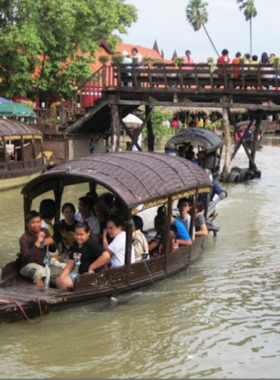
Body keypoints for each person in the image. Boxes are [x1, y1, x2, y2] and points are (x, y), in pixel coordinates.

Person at [56, 223, 110, 290]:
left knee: (64, 283)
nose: (78, 237)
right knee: (58, 280)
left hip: (92, 276)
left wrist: (91, 268)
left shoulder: (91, 244)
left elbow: (106, 256)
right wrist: (62, 276)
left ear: (88, 233)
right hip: (79, 272)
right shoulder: (75, 243)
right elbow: (71, 262)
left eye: (81, 235)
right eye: (76, 234)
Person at [19, 211, 56, 287]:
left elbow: (53, 249)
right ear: (28, 224)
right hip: (27, 266)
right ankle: (39, 295)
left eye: (38, 222)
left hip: (43, 262)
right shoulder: (24, 238)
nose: (36, 225)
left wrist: (51, 242)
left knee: (61, 267)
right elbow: (29, 259)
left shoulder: (44, 231)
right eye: (33, 223)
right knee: (40, 271)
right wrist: (38, 242)